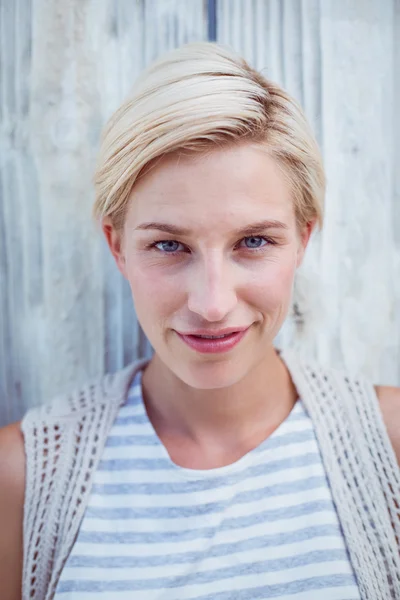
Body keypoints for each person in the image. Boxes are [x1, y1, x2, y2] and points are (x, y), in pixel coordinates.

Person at [0, 42, 399, 600]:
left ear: (303, 239)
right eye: (169, 245)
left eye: (253, 241)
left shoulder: (390, 444)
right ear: (117, 248)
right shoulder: (23, 477)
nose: (212, 304)